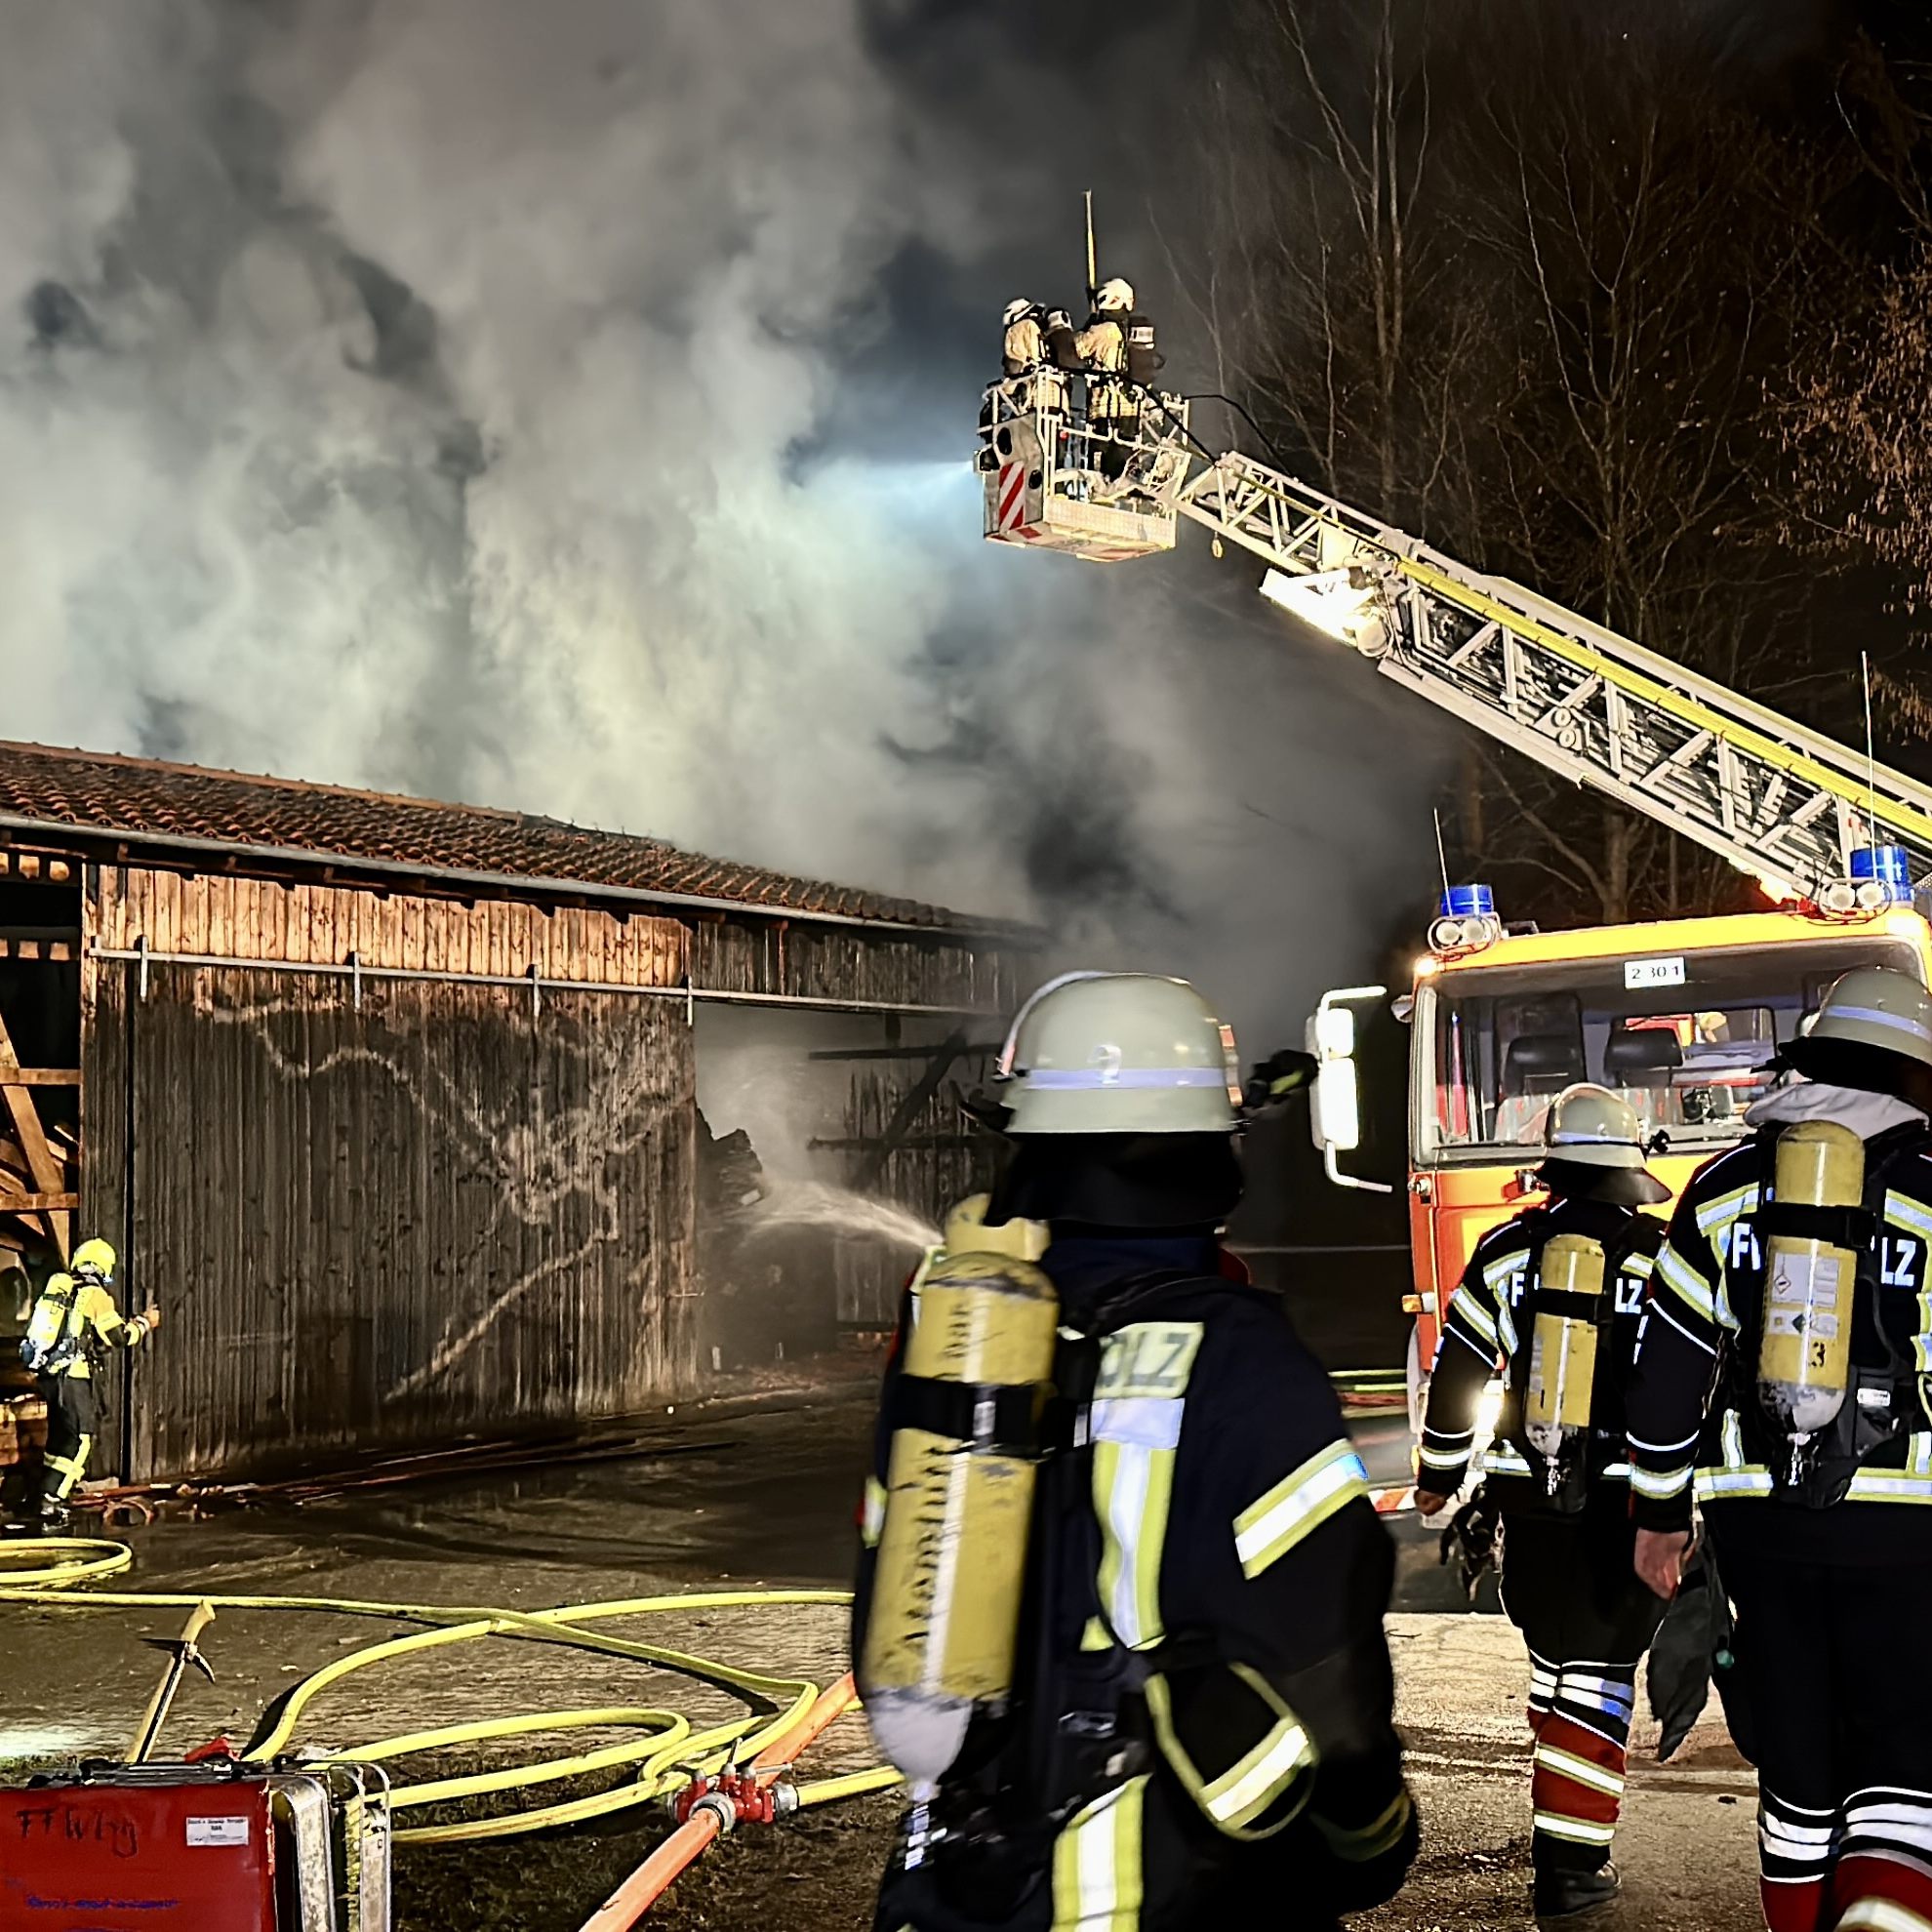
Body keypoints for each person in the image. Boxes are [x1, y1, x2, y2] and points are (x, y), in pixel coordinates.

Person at [855, 971, 1417, 1932]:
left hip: (968, 1891)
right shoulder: (1243, 1363)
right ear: (1208, 1152)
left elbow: (890, 1604)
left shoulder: (956, 1349)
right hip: (1177, 1899)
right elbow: (1327, 1669)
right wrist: (1372, 1837)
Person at [1626, 965, 1932, 1932]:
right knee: (1903, 1760)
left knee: (1795, 1765)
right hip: (1909, 1531)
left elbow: (1665, 1371)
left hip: (1759, 1525)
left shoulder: (1720, 1187)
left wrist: (1659, 1514)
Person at [1414, 1084, 1670, 1918]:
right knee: (1598, 1681)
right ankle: (1571, 1866)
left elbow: (1458, 1372)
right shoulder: (1659, 1255)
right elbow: (1688, 1378)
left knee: (1559, 1666)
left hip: (1528, 1501)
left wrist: (1438, 1473)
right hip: (1622, 1505)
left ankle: (1566, 1833)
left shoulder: (1504, 1249)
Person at [18, 1238, 158, 1525]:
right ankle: (51, 1501)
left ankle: (43, 1494)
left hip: (49, 1377)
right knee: (81, 1439)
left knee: (60, 1439)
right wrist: (145, 1322)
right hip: (73, 1377)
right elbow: (119, 1337)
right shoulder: (95, 1295)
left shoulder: (59, 1284)